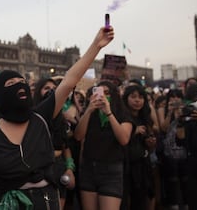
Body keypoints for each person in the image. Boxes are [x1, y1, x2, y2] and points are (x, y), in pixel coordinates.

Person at [0, 24, 114, 210]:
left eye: (22, 82)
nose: (20, 86)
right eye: (11, 83)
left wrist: (96, 45)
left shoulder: (40, 117)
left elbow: (69, 81)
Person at [74, 81, 133, 210]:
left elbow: (123, 139)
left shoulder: (122, 114)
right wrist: (89, 110)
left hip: (111, 171)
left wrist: (109, 113)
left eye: (107, 93)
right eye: (99, 92)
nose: (103, 96)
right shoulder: (91, 113)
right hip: (89, 169)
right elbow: (78, 136)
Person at [32, 78, 76, 209]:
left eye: (54, 89)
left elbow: (65, 146)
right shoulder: (31, 116)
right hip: (39, 170)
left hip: (58, 168)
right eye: (46, 88)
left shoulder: (61, 119)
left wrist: (69, 169)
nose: (51, 92)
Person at [121, 84, 157, 210]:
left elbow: (150, 148)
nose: (137, 100)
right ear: (126, 98)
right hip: (126, 166)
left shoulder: (145, 118)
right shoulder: (121, 117)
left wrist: (150, 143)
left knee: (143, 199)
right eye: (133, 97)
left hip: (142, 165)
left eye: (141, 97)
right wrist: (133, 131)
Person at [157, 89, 188, 209]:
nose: (175, 100)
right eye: (172, 97)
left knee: (185, 180)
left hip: (184, 150)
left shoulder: (185, 110)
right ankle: (173, 204)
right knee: (172, 181)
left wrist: (181, 114)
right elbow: (163, 128)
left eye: (178, 97)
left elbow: (187, 128)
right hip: (169, 150)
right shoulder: (162, 110)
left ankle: (186, 204)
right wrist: (170, 113)